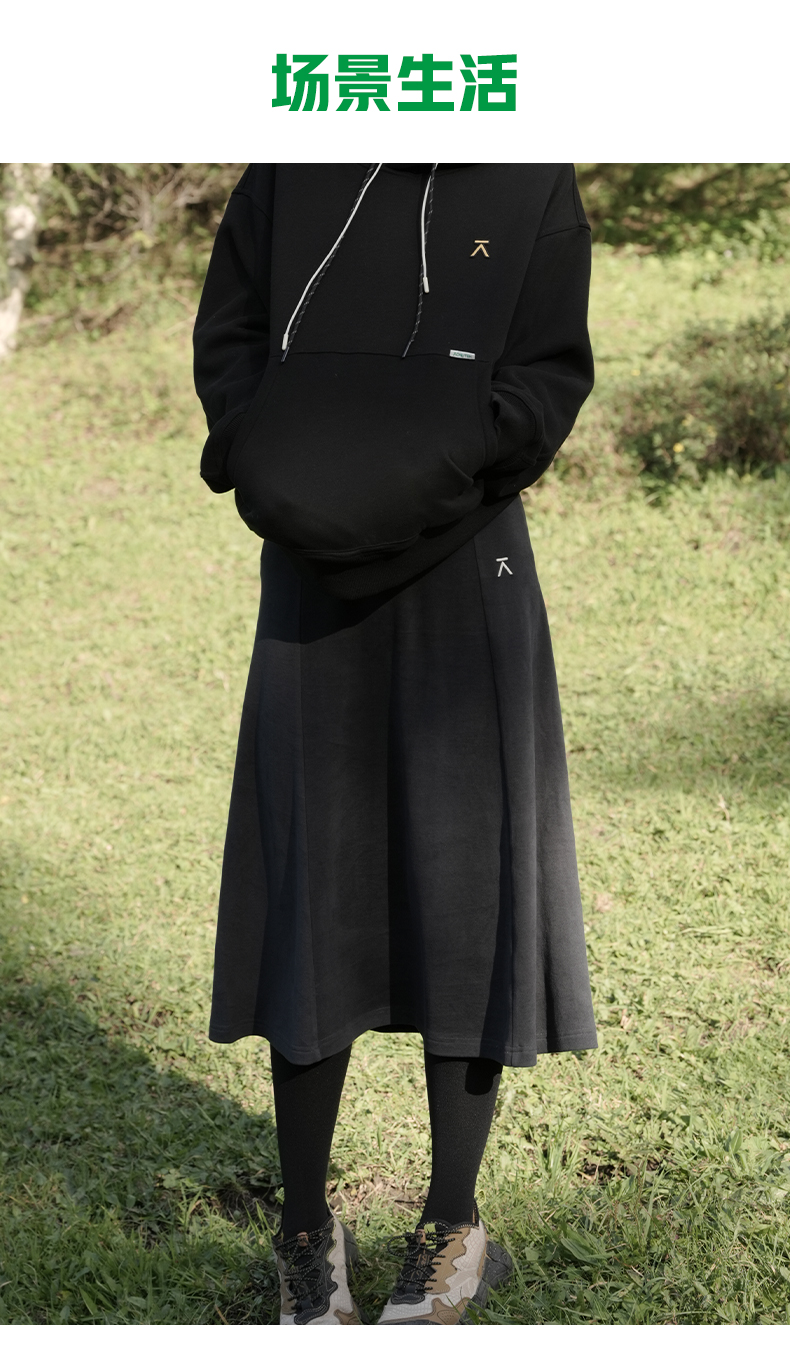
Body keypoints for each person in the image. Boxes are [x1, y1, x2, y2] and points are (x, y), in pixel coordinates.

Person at [193, 162, 597, 1325]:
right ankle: (303, 1232)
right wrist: (275, 460)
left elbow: (547, 373)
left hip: (472, 565)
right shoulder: (287, 166)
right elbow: (229, 339)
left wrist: (434, 464)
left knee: (464, 888)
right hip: (306, 575)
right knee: (310, 881)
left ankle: (450, 1225)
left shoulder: (528, 175)